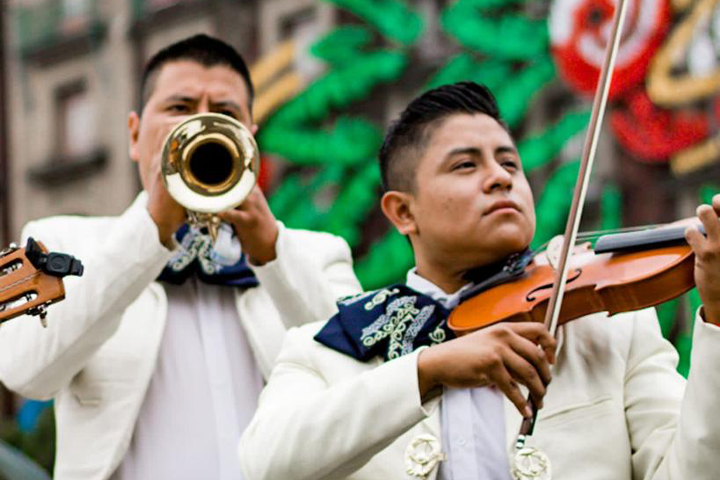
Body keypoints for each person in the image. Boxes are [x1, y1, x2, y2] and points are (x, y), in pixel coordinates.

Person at [239, 82, 720, 480]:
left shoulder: (610, 329)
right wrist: (427, 369)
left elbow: (694, 470)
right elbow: (265, 463)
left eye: (509, 163)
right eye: (466, 165)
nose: (500, 178)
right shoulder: (326, 349)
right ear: (403, 212)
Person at [0, 34, 361, 480]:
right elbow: (25, 373)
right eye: (180, 108)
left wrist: (272, 251)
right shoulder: (58, 241)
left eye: (224, 114)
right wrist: (151, 228)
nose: (201, 127)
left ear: (249, 137)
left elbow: (361, 385)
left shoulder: (318, 254)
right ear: (134, 135)